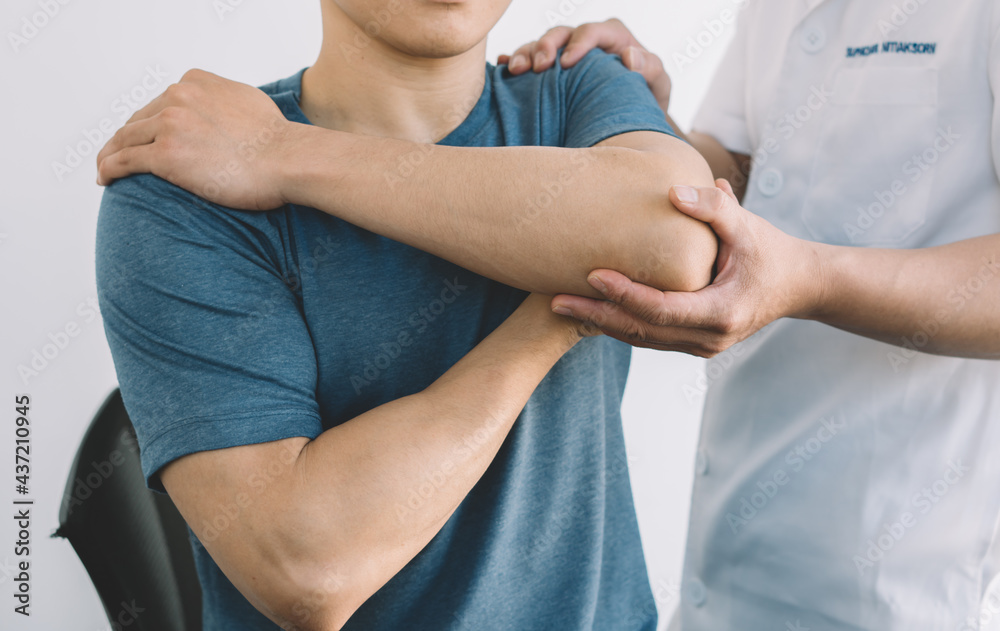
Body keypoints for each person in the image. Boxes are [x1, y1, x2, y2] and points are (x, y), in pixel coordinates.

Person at [94, 1, 719, 629]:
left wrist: (285, 154)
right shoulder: (182, 180)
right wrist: (564, 309)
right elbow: (306, 569)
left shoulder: (579, 87)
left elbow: (676, 245)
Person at [499, 7, 1000, 631]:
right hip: (728, 562)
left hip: (900, 578)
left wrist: (809, 280)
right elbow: (741, 171)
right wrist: (644, 116)